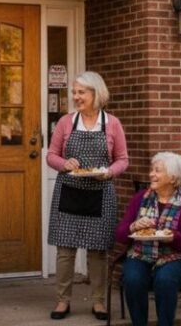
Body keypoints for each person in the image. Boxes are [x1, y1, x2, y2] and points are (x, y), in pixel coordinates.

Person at [47, 71, 129, 321]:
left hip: (101, 193)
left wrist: (109, 172)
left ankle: (98, 302)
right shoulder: (66, 122)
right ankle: (63, 301)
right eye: (74, 92)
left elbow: (123, 160)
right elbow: (51, 155)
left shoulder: (112, 123)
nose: (75, 97)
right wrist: (64, 163)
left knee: (98, 252)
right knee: (65, 250)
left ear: (96, 93)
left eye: (81, 92)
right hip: (69, 192)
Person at [114, 152, 181, 326]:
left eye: (157, 171)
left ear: (173, 177)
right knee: (132, 279)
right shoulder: (140, 199)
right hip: (141, 253)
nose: (151, 174)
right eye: (152, 170)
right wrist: (134, 226)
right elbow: (120, 235)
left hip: (177, 256)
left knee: (165, 279)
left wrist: (174, 238)